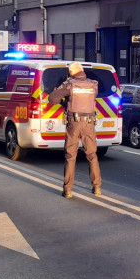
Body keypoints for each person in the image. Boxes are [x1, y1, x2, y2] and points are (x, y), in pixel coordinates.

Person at [48, 61, 101, 199]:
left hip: (74, 123)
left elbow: (52, 99)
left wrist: (64, 101)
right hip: (89, 123)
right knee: (92, 155)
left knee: (71, 156)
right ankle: (96, 187)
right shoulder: (93, 84)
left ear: (71, 72)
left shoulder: (69, 85)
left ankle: (68, 190)